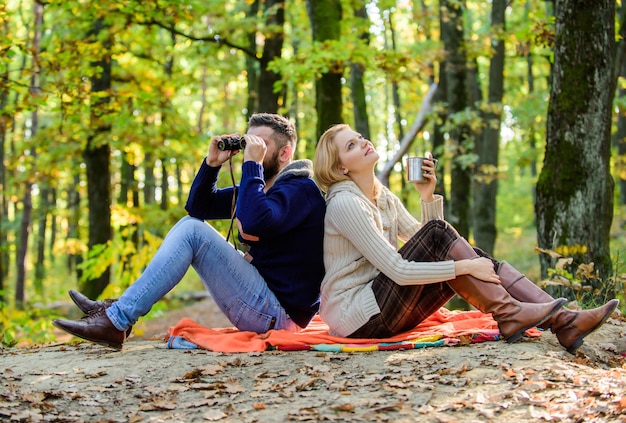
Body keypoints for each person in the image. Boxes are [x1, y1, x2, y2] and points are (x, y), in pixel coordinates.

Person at [312, 123, 619, 353]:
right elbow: (400, 270)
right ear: (340, 166)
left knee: (471, 254)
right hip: (358, 318)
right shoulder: (345, 203)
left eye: (359, 137)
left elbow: (433, 245)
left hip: (383, 306)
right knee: (459, 252)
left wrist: (426, 195)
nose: (363, 142)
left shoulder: (381, 196)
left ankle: (564, 321)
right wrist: (466, 268)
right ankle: (512, 314)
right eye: (351, 145)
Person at [53, 113, 326, 350]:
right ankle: (116, 313)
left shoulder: (300, 189)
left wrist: (251, 165)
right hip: (265, 304)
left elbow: (255, 222)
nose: (251, 151)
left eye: (261, 145)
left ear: (285, 153)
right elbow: (198, 207)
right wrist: (212, 164)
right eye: (248, 144)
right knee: (190, 225)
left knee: (194, 233)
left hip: (280, 316)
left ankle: (116, 320)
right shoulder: (258, 190)